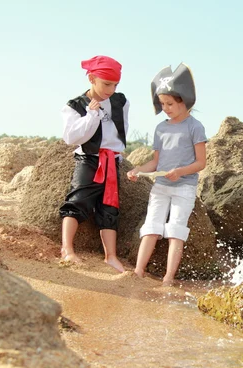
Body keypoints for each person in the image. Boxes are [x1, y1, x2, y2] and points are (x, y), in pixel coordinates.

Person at [127, 63, 207, 285]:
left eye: (170, 103)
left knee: (176, 231)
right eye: (162, 104)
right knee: (151, 227)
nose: (166, 108)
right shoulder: (161, 128)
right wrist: (137, 170)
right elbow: (155, 162)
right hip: (160, 187)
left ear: (184, 99)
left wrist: (180, 171)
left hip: (184, 188)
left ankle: (168, 278)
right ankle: (138, 272)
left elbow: (201, 162)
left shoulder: (195, 127)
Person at [58, 55, 128, 273]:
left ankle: (111, 256)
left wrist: (119, 153)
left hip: (111, 160)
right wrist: (91, 115)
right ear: (91, 78)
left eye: (115, 84)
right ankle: (67, 250)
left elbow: (120, 129)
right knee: (77, 201)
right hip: (88, 159)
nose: (111, 89)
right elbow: (71, 138)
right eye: (107, 83)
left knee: (110, 207)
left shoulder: (120, 101)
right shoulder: (74, 105)